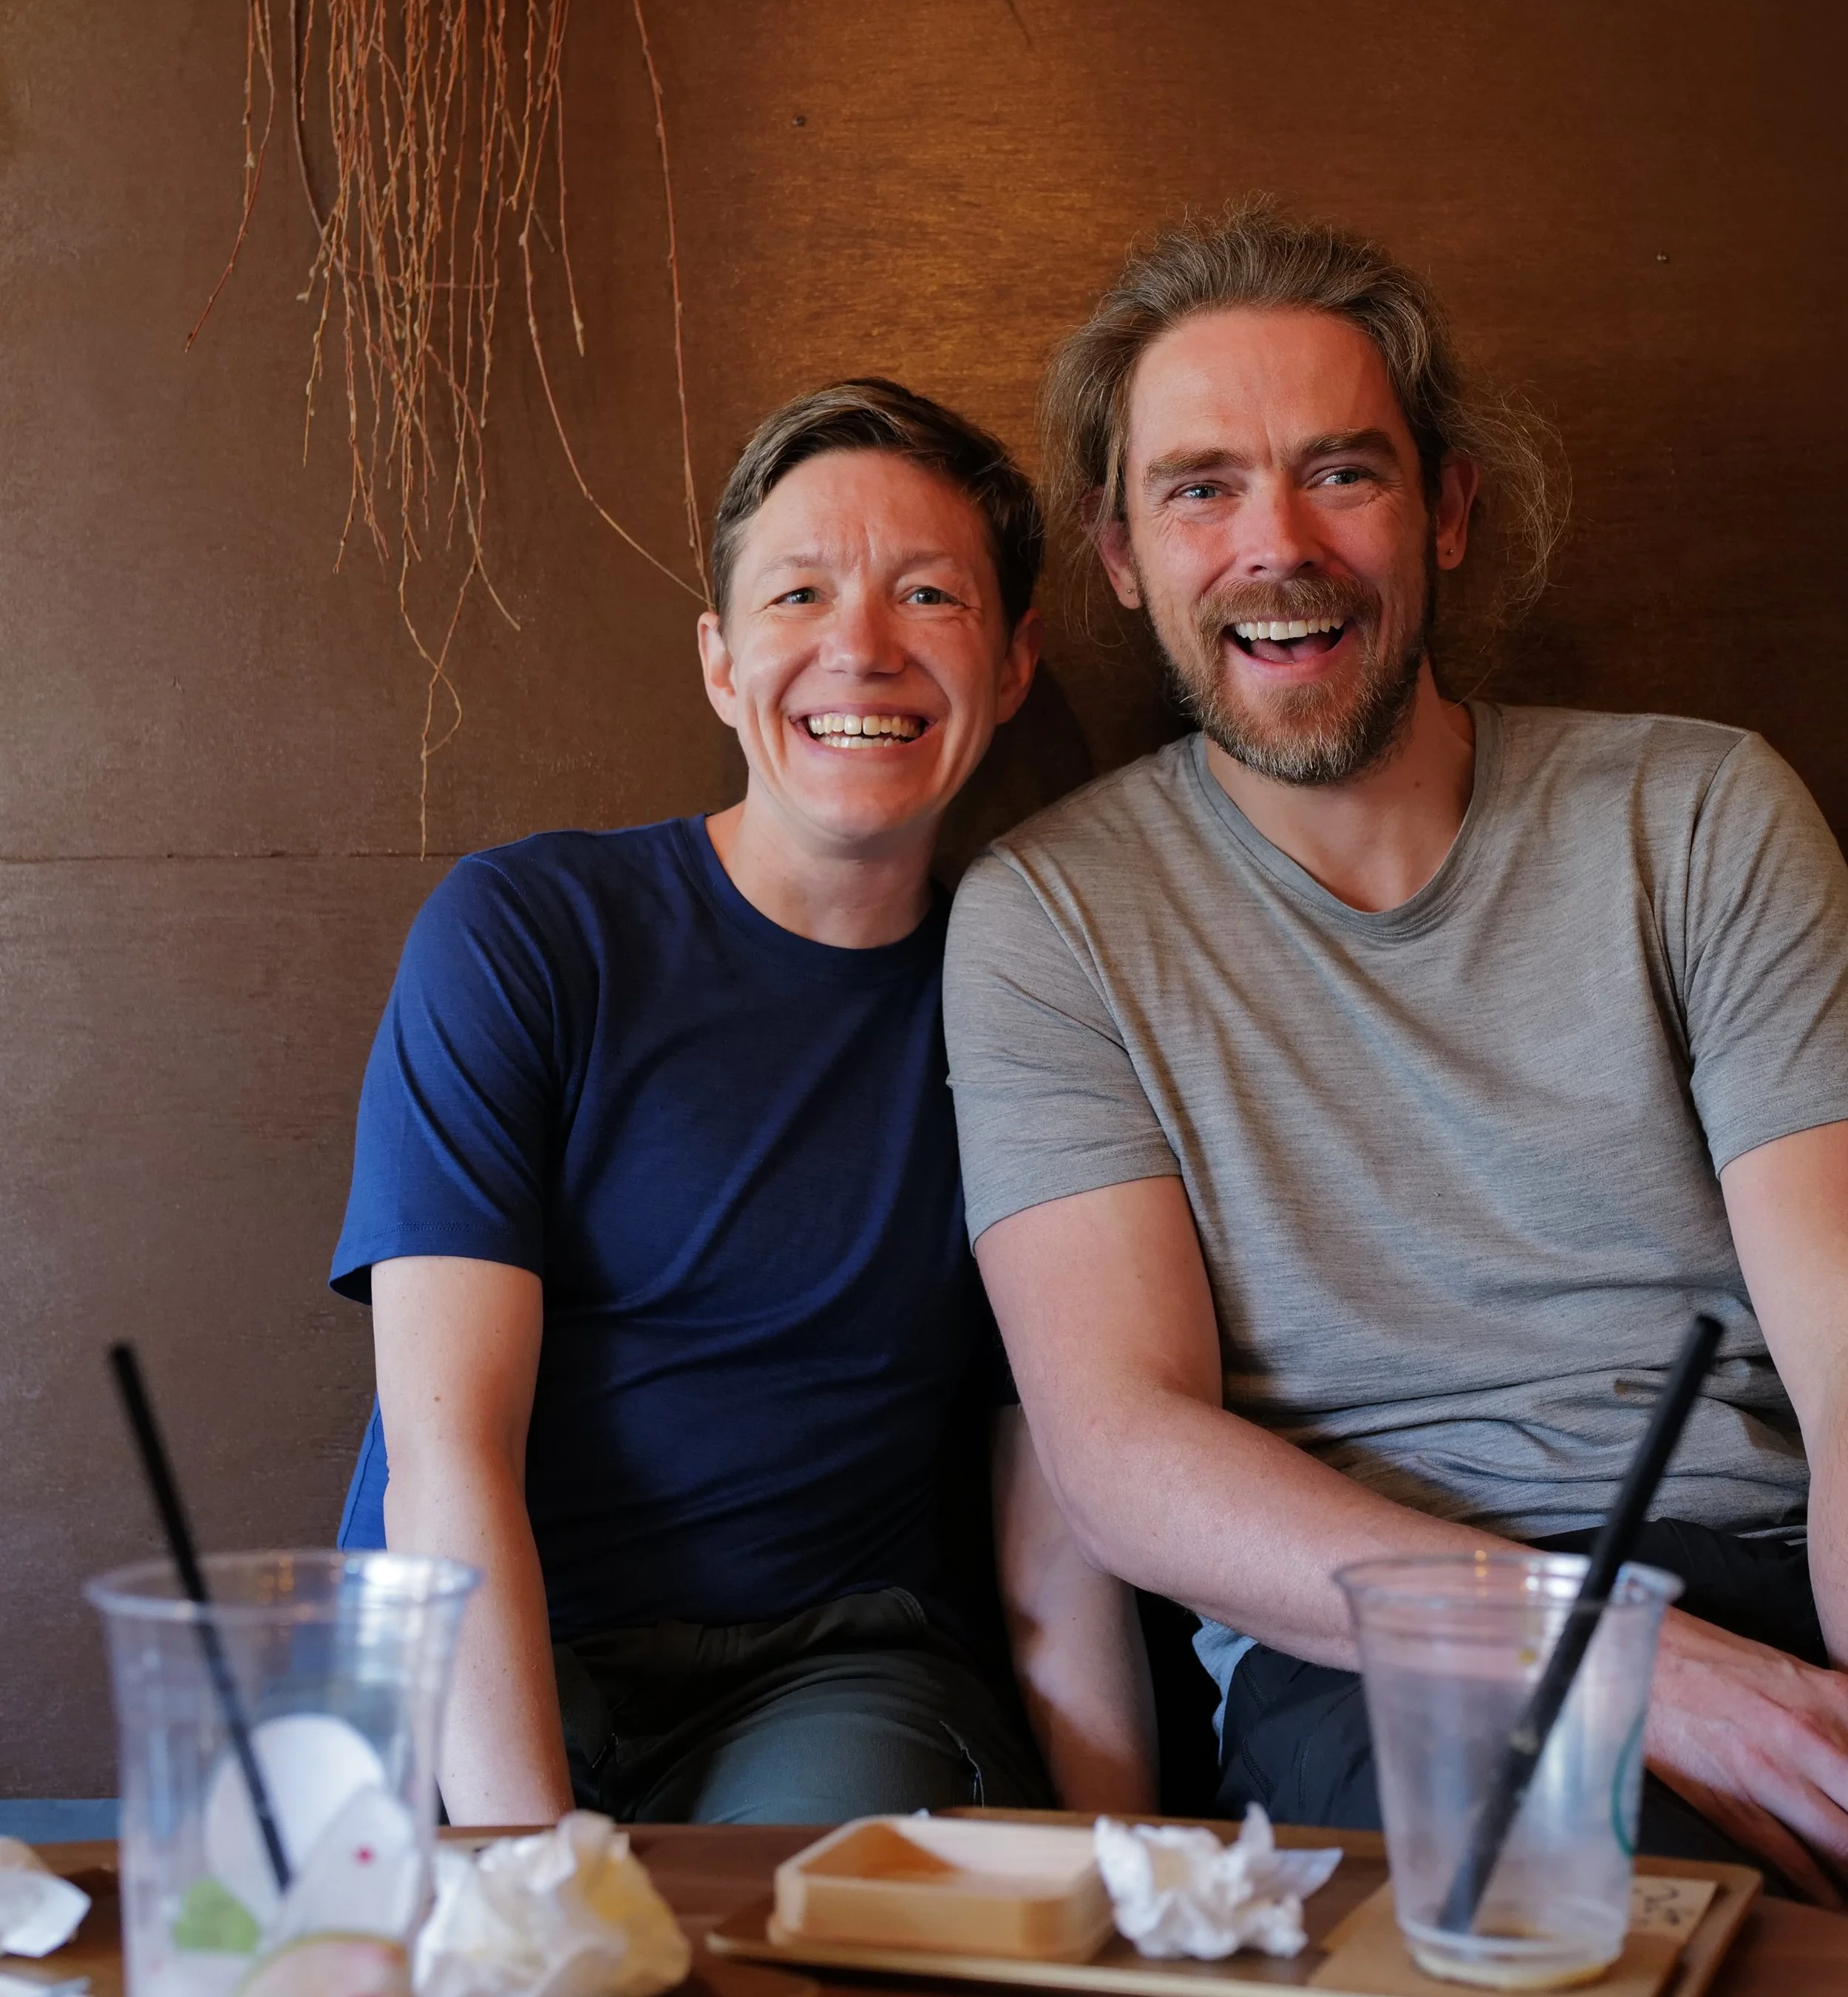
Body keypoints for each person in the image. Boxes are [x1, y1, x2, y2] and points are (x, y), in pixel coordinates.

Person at [945, 205, 1848, 1902]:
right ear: (1121, 552)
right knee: (1623, 1950)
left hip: (1757, 1568)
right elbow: (1122, 1446)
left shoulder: (1704, 813)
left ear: (1442, 510)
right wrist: (1619, 1669)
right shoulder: (1049, 917)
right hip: (1369, 1643)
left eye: (1339, 473)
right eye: (1199, 485)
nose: (1272, 543)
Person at [331, 378, 1155, 1826]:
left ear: (1013, 660)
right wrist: (535, 1881)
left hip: (826, 1675)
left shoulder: (1033, 999)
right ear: (719, 660)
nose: (859, 647)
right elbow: (445, 1455)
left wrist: (1124, 1873)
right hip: (488, 1652)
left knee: (819, 1949)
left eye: (926, 593)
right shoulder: (527, 932)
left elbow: (1056, 1489)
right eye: (796, 594)